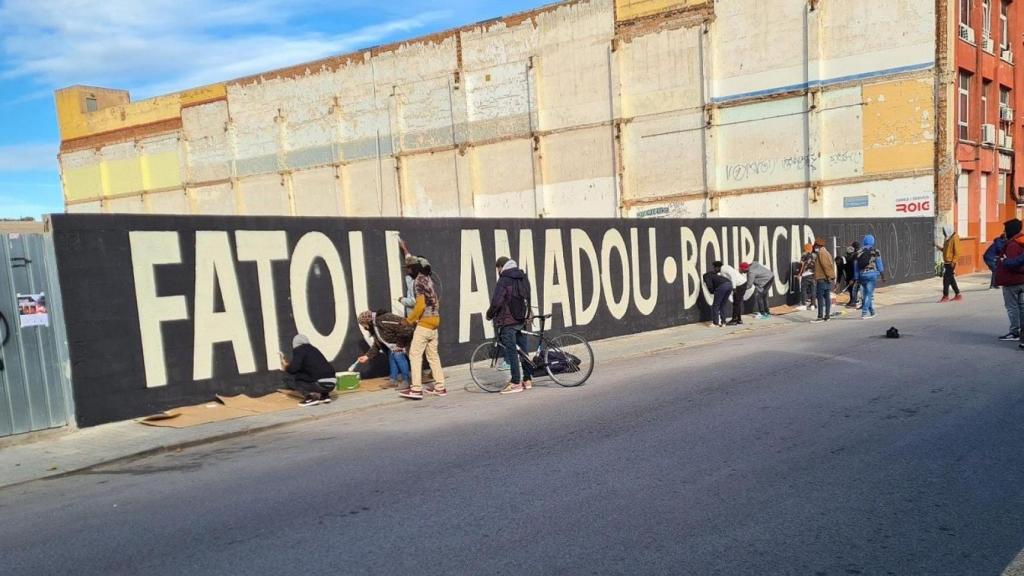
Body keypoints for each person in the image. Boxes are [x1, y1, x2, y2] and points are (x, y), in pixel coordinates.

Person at [486, 257, 534, 395]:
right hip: (521, 318)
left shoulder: (504, 279)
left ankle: (515, 383)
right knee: (523, 351)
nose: (498, 272)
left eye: (497, 269)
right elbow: (528, 295)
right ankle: (527, 379)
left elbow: (497, 301)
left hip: (508, 321)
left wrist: (489, 314)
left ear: (501, 267)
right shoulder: (521, 276)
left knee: (512, 351)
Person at [401, 257, 447, 400]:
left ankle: (416, 389)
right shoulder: (428, 279)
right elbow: (435, 302)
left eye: (408, 269)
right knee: (433, 356)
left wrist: (409, 320)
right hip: (435, 321)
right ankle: (440, 387)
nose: (407, 272)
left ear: (414, 268)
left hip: (425, 323)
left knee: (414, 354)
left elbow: (420, 305)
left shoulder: (418, 282)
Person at [356, 310, 414, 390]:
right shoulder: (375, 326)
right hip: (394, 344)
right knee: (391, 354)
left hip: (404, 341)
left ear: (368, 321)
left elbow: (406, 326)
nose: (365, 327)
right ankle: (393, 380)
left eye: (364, 325)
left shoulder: (384, 319)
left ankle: (406, 381)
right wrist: (367, 356)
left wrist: (400, 345)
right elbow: (377, 344)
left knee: (398, 355)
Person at [281, 334, 336, 406]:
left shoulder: (299, 349)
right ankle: (325, 396)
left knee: (296, 378)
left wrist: (286, 367)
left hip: (320, 384)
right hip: (332, 384)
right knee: (319, 374)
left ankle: (309, 398)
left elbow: (293, 369)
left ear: (295, 343)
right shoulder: (314, 349)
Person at [993, 219, 1024, 342]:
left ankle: (1014, 332)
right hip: (1022, 281)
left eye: (1005, 230)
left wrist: (1003, 261)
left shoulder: (1012, 245)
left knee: (1012, 308)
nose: (1003, 233)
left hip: (1012, 282)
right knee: (1022, 307)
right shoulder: (1021, 241)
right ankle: (1021, 333)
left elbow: (1013, 263)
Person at [853, 234, 885, 319]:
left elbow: (856, 266)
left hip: (861, 275)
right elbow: (879, 263)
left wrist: (856, 278)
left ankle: (872, 312)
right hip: (871, 275)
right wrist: (882, 275)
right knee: (868, 294)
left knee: (867, 293)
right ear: (872, 241)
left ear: (864, 241)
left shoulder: (858, 252)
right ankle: (864, 313)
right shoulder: (875, 251)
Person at [812, 238, 836, 323]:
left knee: (820, 298)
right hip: (826, 278)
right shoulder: (826, 252)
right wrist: (831, 277)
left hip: (823, 278)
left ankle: (820, 316)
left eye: (815, 245)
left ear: (818, 245)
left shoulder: (821, 253)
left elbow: (826, 266)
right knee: (827, 298)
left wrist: (830, 276)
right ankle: (827, 315)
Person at [936, 225, 962, 303]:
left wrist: (953, 261)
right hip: (947, 262)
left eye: (944, 231)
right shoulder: (948, 238)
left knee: (946, 279)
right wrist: (938, 247)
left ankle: (945, 296)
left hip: (951, 262)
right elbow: (946, 250)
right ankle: (958, 294)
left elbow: (957, 252)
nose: (943, 233)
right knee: (951, 279)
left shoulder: (955, 238)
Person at [703, 261, 733, 327]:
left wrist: (712, 291)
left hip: (722, 286)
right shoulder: (716, 275)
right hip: (729, 284)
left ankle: (715, 323)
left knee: (715, 305)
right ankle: (723, 322)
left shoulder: (706, 276)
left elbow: (709, 285)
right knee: (722, 305)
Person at [795, 243, 816, 311]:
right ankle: (813, 304)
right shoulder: (814, 255)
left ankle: (804, 305)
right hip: (813, 274)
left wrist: (799, 274)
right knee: (813, 290)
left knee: (803, 289)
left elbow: (802, 265)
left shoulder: (804, 255)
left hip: (806, 274)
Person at [844, 242, 861, 308]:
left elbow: (855, 269)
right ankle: (852, 300)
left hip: (854, 276)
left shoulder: (854, 258)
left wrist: (853, 278)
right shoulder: (851, 258)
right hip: (851, 276)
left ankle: (854, 301)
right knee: (851, 289)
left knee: (854, 289)